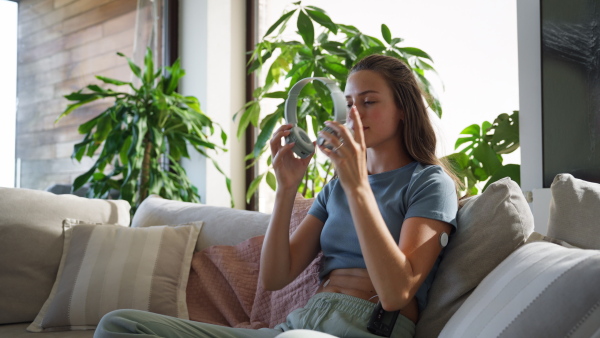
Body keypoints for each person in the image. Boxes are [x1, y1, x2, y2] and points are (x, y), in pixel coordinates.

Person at [94, 54, 459, 338]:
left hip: (368, 326)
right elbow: (274, 277)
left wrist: (358, 186)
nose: (353, 112)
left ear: (402, 111)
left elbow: (397, 293)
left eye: (368, 101)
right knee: (120, 325)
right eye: (348, 102)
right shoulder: (334, 188)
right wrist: (286, 189)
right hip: (300, 323)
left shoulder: (427, 182)